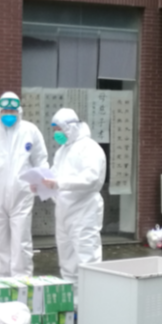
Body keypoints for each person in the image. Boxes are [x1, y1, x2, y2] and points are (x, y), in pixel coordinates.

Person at [0, 91, 48, 278]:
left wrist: (41, 182)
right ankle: (2, 284)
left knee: (21, 243)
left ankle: (22, 285)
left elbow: (41, 160)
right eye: (5, 111)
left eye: (12, 111)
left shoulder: (30, 131)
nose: (8, 114)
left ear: (19, 111)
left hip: (21, 196)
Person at [44, 108, 106, 288]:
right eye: (54, 130)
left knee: (87, 258)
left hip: (84, 212)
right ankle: (72, 298)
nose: (56, 133)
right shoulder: (62, 151)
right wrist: (41, 185)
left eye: (59, 129)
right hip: (64, 212)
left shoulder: (89, 148)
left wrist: (59, 183)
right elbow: (53, 176)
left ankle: (93, 298)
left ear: (69, 127)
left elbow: (91, 179)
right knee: (67, 259)